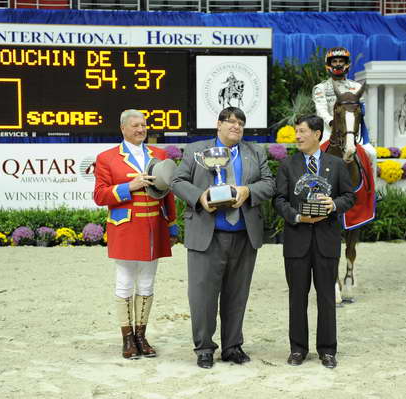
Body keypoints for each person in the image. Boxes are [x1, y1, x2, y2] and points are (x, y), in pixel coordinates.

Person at [171, 106, 275, 369]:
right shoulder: (196, 150)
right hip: (207, 235)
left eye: (241, 123)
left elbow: (270, 184)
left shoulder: (255, 152)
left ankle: (232, 346)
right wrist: (200, 197)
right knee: (202, 296)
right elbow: (177, 181)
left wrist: (248, 191)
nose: (236, 126)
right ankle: (204, 348)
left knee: (237, 295)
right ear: (218, 125)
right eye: (230, 122)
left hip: (243, 234)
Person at [93, 109, 178, 360]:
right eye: (135, 125)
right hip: (125, 227)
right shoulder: (107, 158)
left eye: (143, 125)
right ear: (123, 129)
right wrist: (129, 187)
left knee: (147, 282)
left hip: (154, 226)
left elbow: (168, 193)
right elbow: (100, 196)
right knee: (125, 282)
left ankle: (141, 335)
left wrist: (172, 225)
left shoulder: (160, 155)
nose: (141, 129)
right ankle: (127, 338)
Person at [273, 115, 355, 369]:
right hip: (297, 241)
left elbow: (349, 196)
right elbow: (278, 200)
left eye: (302, 132)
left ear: (318, 134)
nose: (297, 136)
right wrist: (297, 216)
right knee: (297, 296)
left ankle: (327, 350)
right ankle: (298, 349)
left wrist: (334, 205)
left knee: (326, 298)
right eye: (296, 132)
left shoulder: (337, 164)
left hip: (326, 242)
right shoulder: (287, 165)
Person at [312, 47, 377, 178]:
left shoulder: (357, 87)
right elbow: (321, 110)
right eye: (334, 61)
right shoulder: (321, 88)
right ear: (329, 64)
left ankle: (373, 190)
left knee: (372, 152)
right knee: (314, 155)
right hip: (328, 132)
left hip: (351, 132)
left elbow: (361, 112)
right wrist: (332, 122)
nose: (338, 64)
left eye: (341, 60)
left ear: (347, 64)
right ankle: (313, 188)